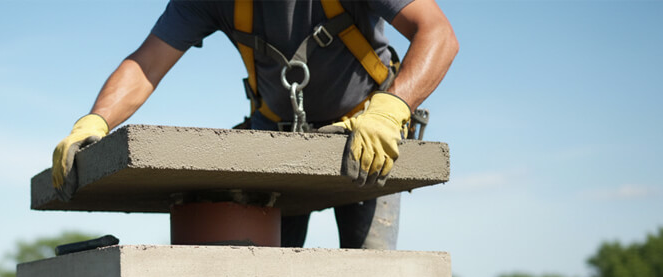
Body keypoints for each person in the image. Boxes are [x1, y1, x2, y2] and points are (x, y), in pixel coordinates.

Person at [52, 0, 457, 249]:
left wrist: (391, 110)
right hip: (277, 141)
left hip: (366, 136)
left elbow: (437, 33)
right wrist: (95, 120)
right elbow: (146, 64)